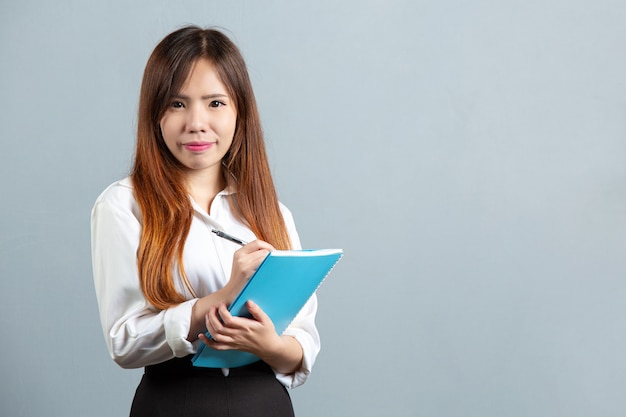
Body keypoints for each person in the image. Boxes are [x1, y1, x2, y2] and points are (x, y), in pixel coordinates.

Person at [91, 25, 319, 417]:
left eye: (215, 103)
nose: (197, 122)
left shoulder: (272, 212)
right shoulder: (124, 204)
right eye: (178, 104)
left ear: (239, 111)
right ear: (155, 113)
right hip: (175, 402)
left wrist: (270, 346)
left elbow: (302, 342)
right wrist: (222, 298)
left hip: (265, 403)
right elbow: (124, 342)